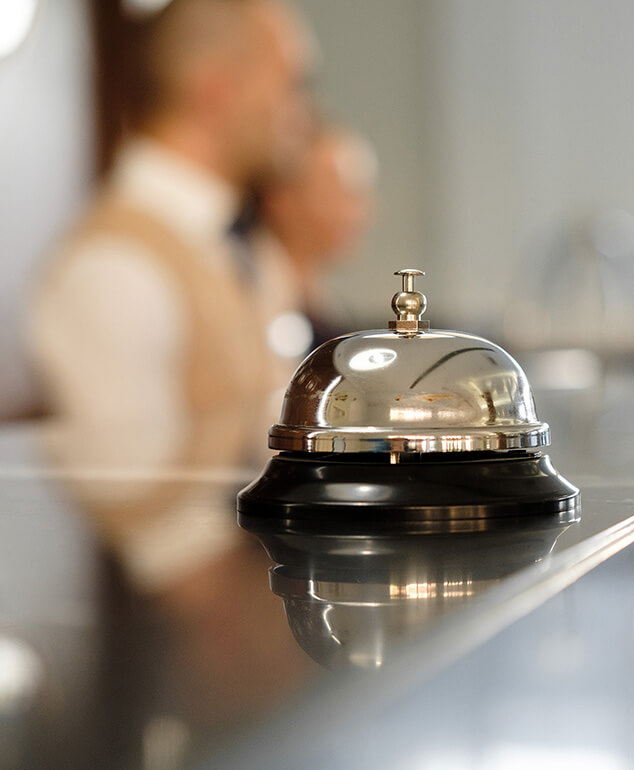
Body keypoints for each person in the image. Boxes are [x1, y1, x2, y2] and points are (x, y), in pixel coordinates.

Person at [28, 0, 313, 592]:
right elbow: (129, 504)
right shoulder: (114, 266)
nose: (300, 112)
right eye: (288, 82)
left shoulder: (251, 250)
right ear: (216, 90)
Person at [255, 124, 378, 348]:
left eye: (358, 193)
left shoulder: (329, 309)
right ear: (280, 198)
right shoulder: (252, 293)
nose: (356, 212)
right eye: (335, 190)